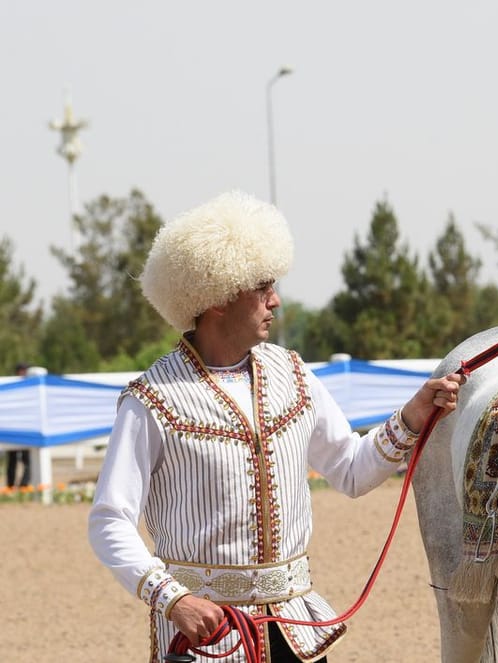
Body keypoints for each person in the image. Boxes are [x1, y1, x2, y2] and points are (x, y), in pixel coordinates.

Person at [88, 191, 463, 663]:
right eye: (262, 286)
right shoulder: (152, 399)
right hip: (207, 643)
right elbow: (109, 520)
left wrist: (413, 416)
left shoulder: (294, 374)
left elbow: (349, 469)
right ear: (219, 295)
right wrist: (173, 598)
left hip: (297, 635)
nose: (276, 300)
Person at [5, 362, 31, 488]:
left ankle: (24, 485)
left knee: (27, 459)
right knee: (12, 458)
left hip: (26, 427)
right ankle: (11, 486)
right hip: (15, 427)